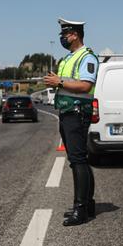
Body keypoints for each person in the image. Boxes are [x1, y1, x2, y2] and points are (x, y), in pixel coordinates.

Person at [44, 18, 99, 226]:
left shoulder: (87, 57)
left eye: (65, 35)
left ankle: (81, 210)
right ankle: (88, 203)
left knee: (77, 160)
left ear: (75, 34)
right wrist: (58, 81)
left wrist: (59, 81)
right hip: (67, 112)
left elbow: (85, 85)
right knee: (79, 159)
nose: (62, 38)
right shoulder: (69, 58)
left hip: (77, 113)